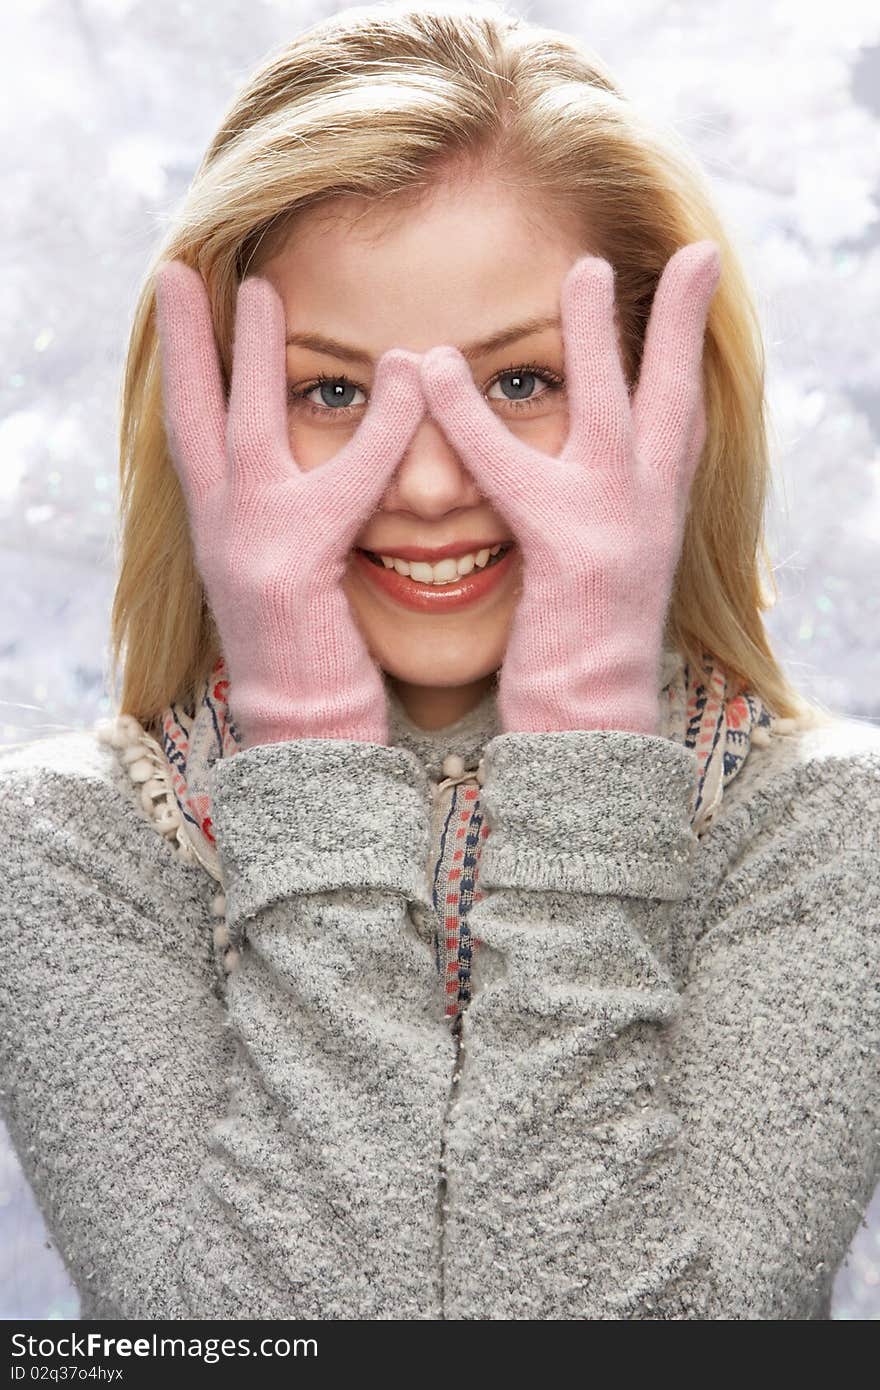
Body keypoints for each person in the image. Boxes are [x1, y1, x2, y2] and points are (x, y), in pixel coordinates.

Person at [1, 0, 878, 1322]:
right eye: (333, 392)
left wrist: (587, 726)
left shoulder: (827, 829)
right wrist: (302, 728)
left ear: (666, 391)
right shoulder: (68, 843)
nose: (421, 484)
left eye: (520, 383)